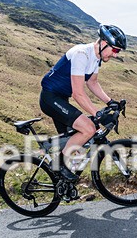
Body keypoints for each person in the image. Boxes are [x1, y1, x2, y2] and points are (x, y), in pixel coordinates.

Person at [39, 24, 126, 181]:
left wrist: (110, 102)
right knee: (88, 129)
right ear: (103, 43)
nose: (115, 55)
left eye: (118, 52)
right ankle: (58, 165)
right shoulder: (82, 54)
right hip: (50, 98)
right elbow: (78, 93)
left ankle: (61, 184)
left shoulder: (96, 58)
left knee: (75, 142)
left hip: (61, 99)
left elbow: (92, 82)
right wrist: (98, 114)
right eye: (114, 50)